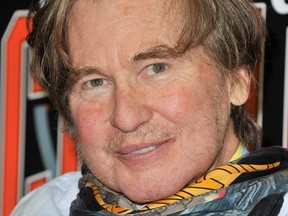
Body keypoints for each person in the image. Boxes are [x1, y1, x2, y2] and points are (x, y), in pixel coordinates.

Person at [12, 0, 288, 215]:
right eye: (95, 82)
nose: (126, 117)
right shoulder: (44, 208)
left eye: (156, 68)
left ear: (237, 81)